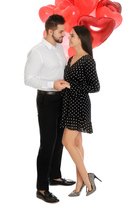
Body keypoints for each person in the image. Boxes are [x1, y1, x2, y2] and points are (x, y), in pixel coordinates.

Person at [24, 14, 75, 203]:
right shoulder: (37, 52)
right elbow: (28, 79)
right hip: (47, 100)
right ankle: (42, 188)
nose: (64, 35)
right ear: (50, 31)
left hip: (62, 99)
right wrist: (52, 84)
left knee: (60, 139)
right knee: (47, 143)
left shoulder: (58, 48)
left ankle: (55, 176)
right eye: (61, 31)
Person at [60, 26, 101, 197]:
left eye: (73, 35)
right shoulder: (70, 59)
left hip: (80, 105)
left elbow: (95, 87)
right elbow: (69, 82)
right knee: (76, 144)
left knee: (66, 142)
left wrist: (72, 86)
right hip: (69, 104)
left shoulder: (87, 60)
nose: (69, 37)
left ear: (81, 39)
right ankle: (79, 184)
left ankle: (87, 180)